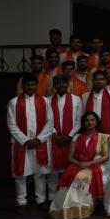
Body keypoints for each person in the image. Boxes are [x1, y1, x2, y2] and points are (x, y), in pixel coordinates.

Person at [49, 111, 110, 219]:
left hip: (96, 165)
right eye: (87, 120)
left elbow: (106, 157)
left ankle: (81, 207)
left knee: (81, 177)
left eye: (92, 120)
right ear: (83, 123)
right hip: (79, 164)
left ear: (97, 122)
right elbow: (70, 157)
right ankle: (65, 207)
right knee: (69, 176)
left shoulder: (103, 137)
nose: (89, 122)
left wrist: (90, 163)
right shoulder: (77, 137)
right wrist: (79, 163)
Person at [7, 74, 55, 212]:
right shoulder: (14, 102)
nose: (30, 87)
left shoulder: (44, 101)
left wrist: (38, 139)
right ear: (23, 86)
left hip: (40, 142)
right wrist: (25, 140)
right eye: (27, 84)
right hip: (21, 144)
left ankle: (41, 200)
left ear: (36, 86)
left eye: (33, 84)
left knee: (40, 172)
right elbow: (11, 124)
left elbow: (50, 123)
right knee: (20, 173)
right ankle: (21, 201)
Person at [44, 74, 82, 204]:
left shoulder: (76, 100)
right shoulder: (47, 100)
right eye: (58, 83)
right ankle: (52, 197)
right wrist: (54, 134)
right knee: (53, 170)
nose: (61, 85)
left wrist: (69, 135)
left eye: (63, 83)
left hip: (70, 139)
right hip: (53, 138)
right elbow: (46, 120)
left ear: (68, 84)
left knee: (70, 169)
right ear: (54, 85)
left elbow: (79, 121)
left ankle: (69, 196)